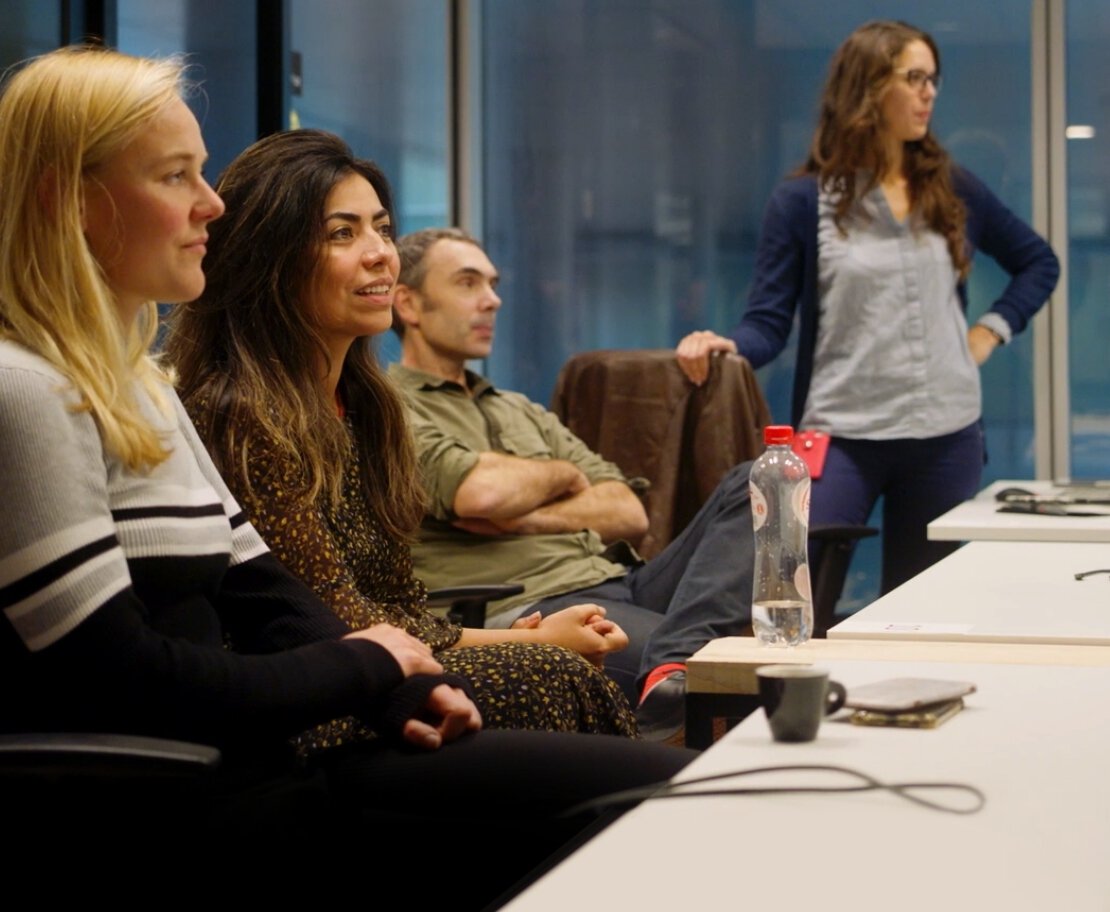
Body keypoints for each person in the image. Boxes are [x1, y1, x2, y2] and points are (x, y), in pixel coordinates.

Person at [0, 46, 691, 890]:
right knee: (659, 801)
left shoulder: (139, 386)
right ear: (68, 200)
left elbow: (264, 590)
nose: (210, 204)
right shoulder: (24, 391)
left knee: (673, 794)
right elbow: (121, 675)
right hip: (193, 800)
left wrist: (396, 690)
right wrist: (369, 669)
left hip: (258, 757)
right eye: (176, 176)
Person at [165, 129, 636, 739]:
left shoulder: (368, 406)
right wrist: (531, 643)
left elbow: (399, 606)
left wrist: (528, 638)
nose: (380, 254)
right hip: (311, 703)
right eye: (342, 234)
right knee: (552, 674)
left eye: (382, 229)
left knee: (562, 665)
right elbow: (330, 617)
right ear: (271, 260)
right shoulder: (241, 413)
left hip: (382, 662)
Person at [676, 20, 1058, 594]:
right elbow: (768, 321)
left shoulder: (952, 188)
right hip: (841, 433)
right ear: (869, 87)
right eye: (914, 78)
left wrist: (987, 333)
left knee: (923, 612)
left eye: (933, 79)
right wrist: (728, 345)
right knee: (795, 593)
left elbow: (1039, 263)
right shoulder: (803, 201)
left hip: (946, 434)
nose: (929, 93)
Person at [390, 227, 757, 741]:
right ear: (408, 303)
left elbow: (628, 511)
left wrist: (524, 512)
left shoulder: (518, 407)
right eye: (468, 283)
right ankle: (674, 669)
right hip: (533, 602)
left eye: (493, 284)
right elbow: (480, 493)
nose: (492, 300)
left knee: (758, 482)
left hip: (620, 579)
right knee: (730, 668)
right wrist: (563, 479)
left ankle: (670, 664)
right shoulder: (390, 404)